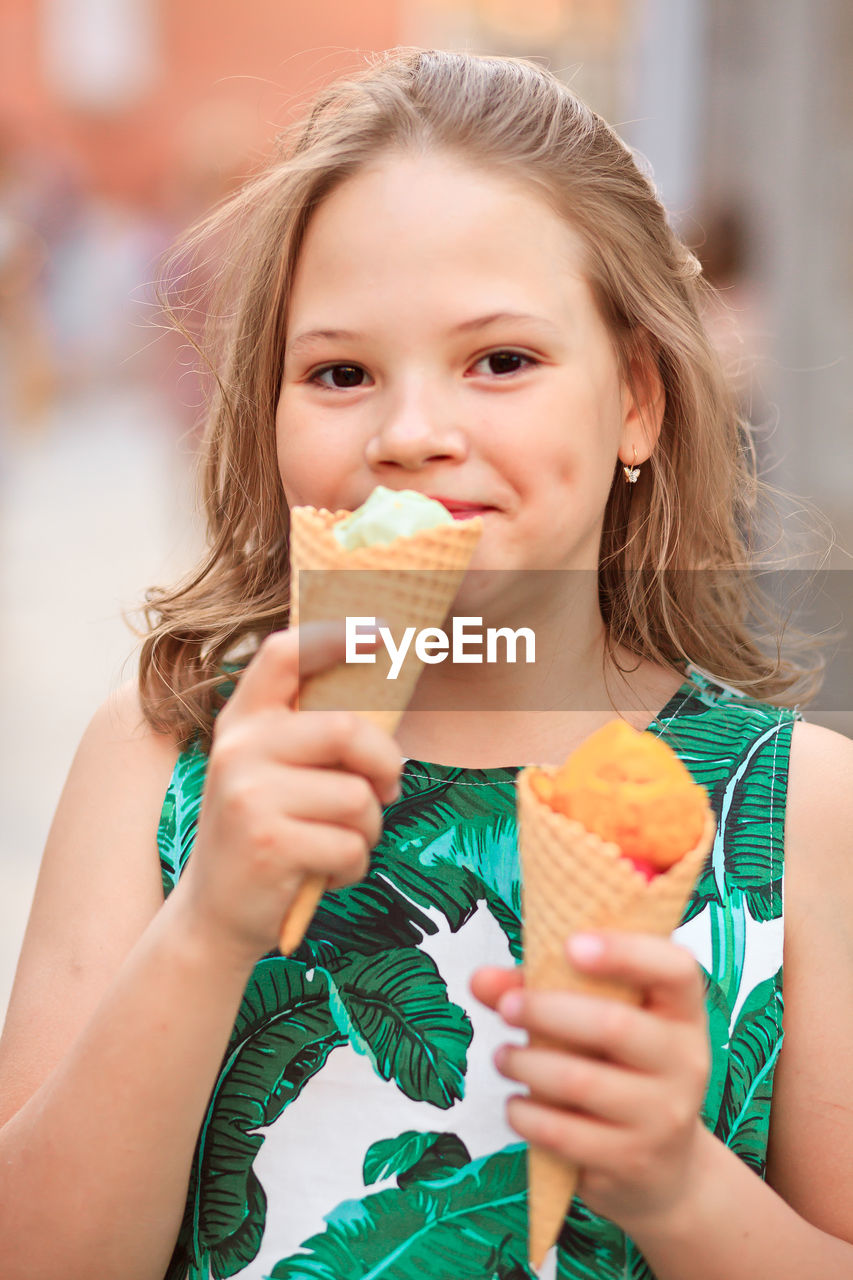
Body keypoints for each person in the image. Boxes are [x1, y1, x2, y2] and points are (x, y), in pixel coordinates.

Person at [1, 47, 851, 1280]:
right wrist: (210, 924)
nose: (409, 434)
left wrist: (676, 1184)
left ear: (638, 400)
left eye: (500, 360)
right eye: (340, 372)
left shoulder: (800, 812)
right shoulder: (161, 769)